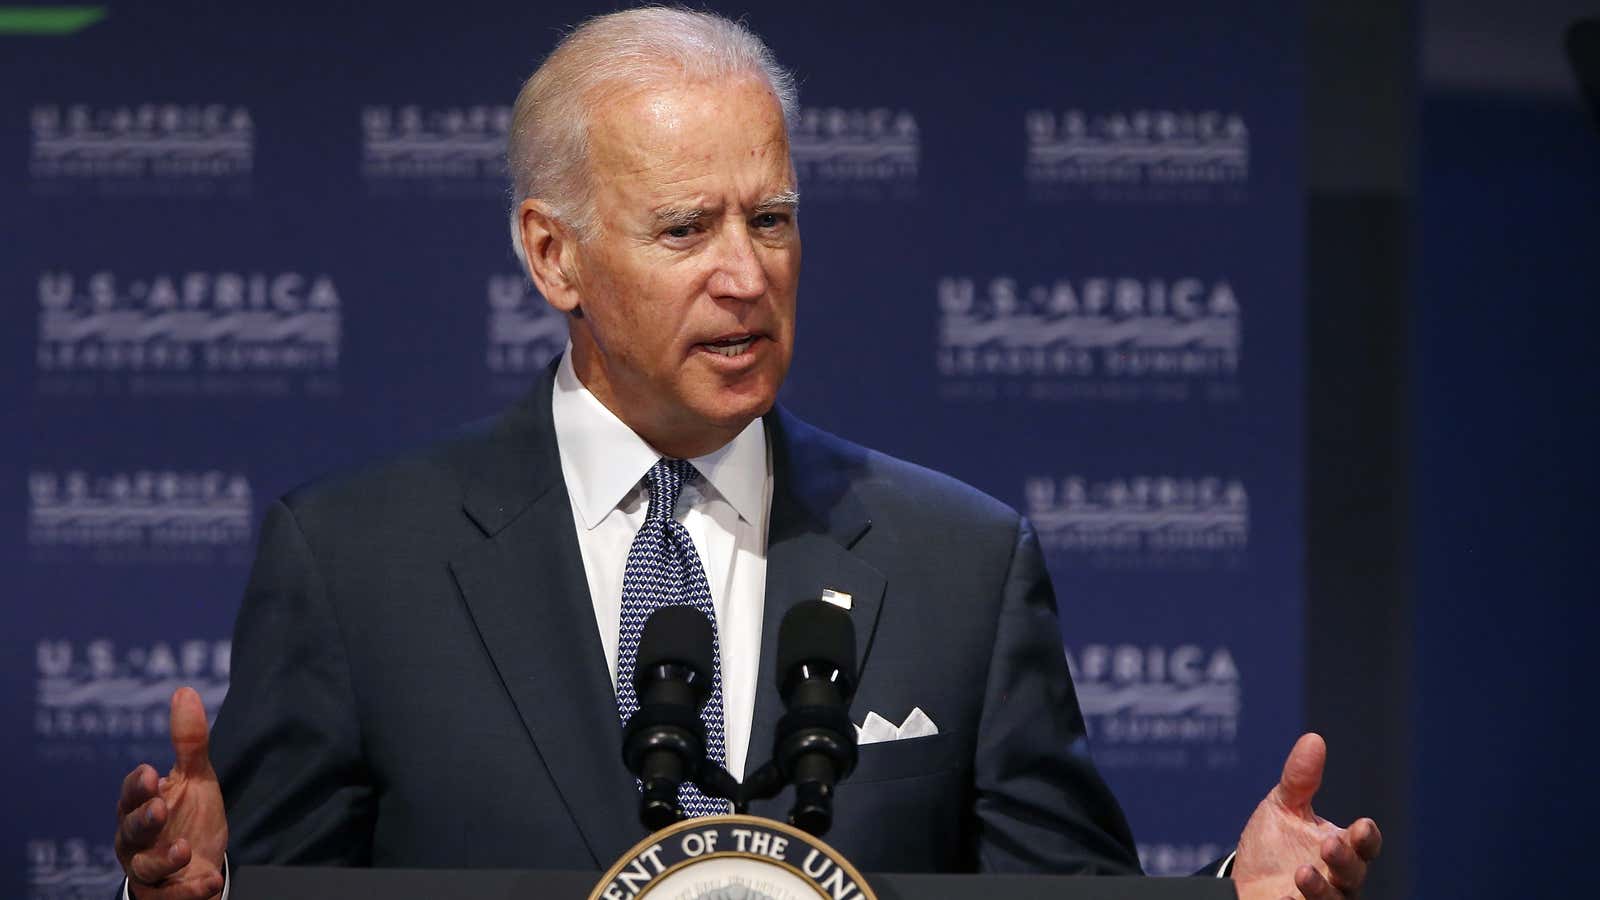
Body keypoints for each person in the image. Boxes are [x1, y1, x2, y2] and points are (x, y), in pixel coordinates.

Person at [111, 8, 1381, 900]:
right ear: (552, 254)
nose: (744, 273)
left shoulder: (960, 562)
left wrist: (1228, 899)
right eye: (684, 228)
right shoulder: (354, 562)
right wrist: (199, 897)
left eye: (769, 219)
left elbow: (1062, 897)